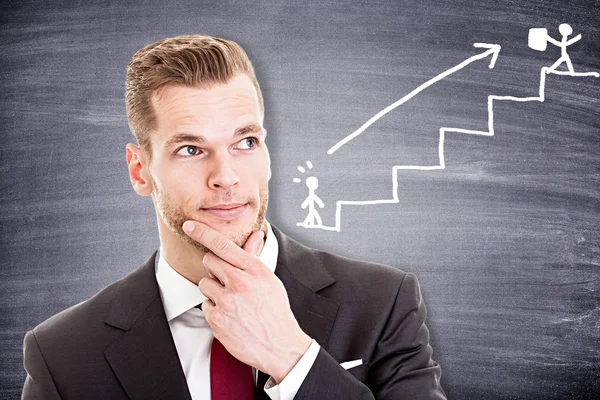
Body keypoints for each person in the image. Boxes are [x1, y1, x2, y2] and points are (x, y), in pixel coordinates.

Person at [22, 34, 446, 400]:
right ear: (140, 170)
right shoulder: (63, 353)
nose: (226, 177)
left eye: (245, 142)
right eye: (191, 149)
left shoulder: (383, 302)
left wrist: (292, 358)